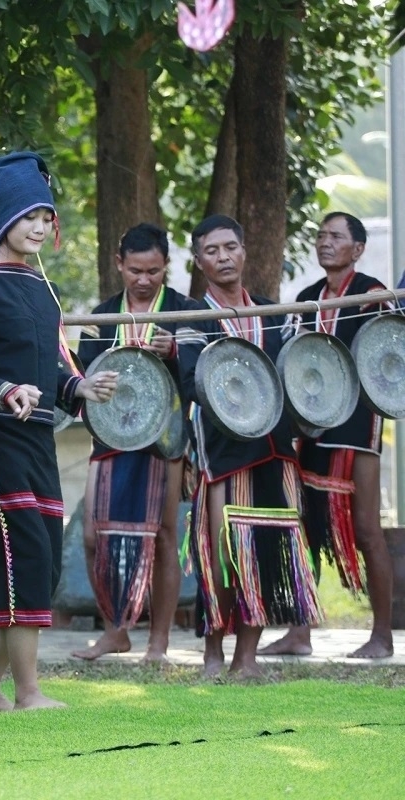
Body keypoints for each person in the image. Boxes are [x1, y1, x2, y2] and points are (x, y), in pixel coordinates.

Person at [0, 152, 116, 711]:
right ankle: (28, 690)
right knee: (16, 554)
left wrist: (80, 389)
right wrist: (1, 391)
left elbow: (50, 363)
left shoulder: (41, 288)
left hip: (37, 439)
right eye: (28, 216)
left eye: (46, 217)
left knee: (41, 557)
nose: (39, 227)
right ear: (2, 219)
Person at [175, 214, 322, 678]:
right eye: (212, 251)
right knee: (220, 557)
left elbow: (300, 381)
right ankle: (213, 653)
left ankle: (246, 659)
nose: (223, 257)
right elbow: (194, 386)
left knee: (263, 555)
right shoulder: (191, 320)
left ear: (244, 251)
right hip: (221, 457)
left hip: (275, 453)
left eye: (230, 247)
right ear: (199, 261)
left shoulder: (274, 316)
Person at [261, 211, 395, 659]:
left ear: (357, 249)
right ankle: (300, 632)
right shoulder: (305, 298)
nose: (324, 243)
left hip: (358, 427)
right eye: (321, 236)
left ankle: (381, 637)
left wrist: (386, 306)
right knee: (306, 527)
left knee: (366, 530)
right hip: (311, 429)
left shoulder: (374, 292)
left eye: (335, 237)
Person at [72, 223, 195, 663]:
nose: (144, 280)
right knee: (91, 536)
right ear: (119, 264)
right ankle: (115, 630)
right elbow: (80, 378)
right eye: (136, 270)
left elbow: (206, 374)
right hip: (110, 436)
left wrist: (178, 351)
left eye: (154, 271)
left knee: (163, 535)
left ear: (167, 267)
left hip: (165, 435)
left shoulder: (185, 312)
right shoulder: (100, 315)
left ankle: (158, 642)